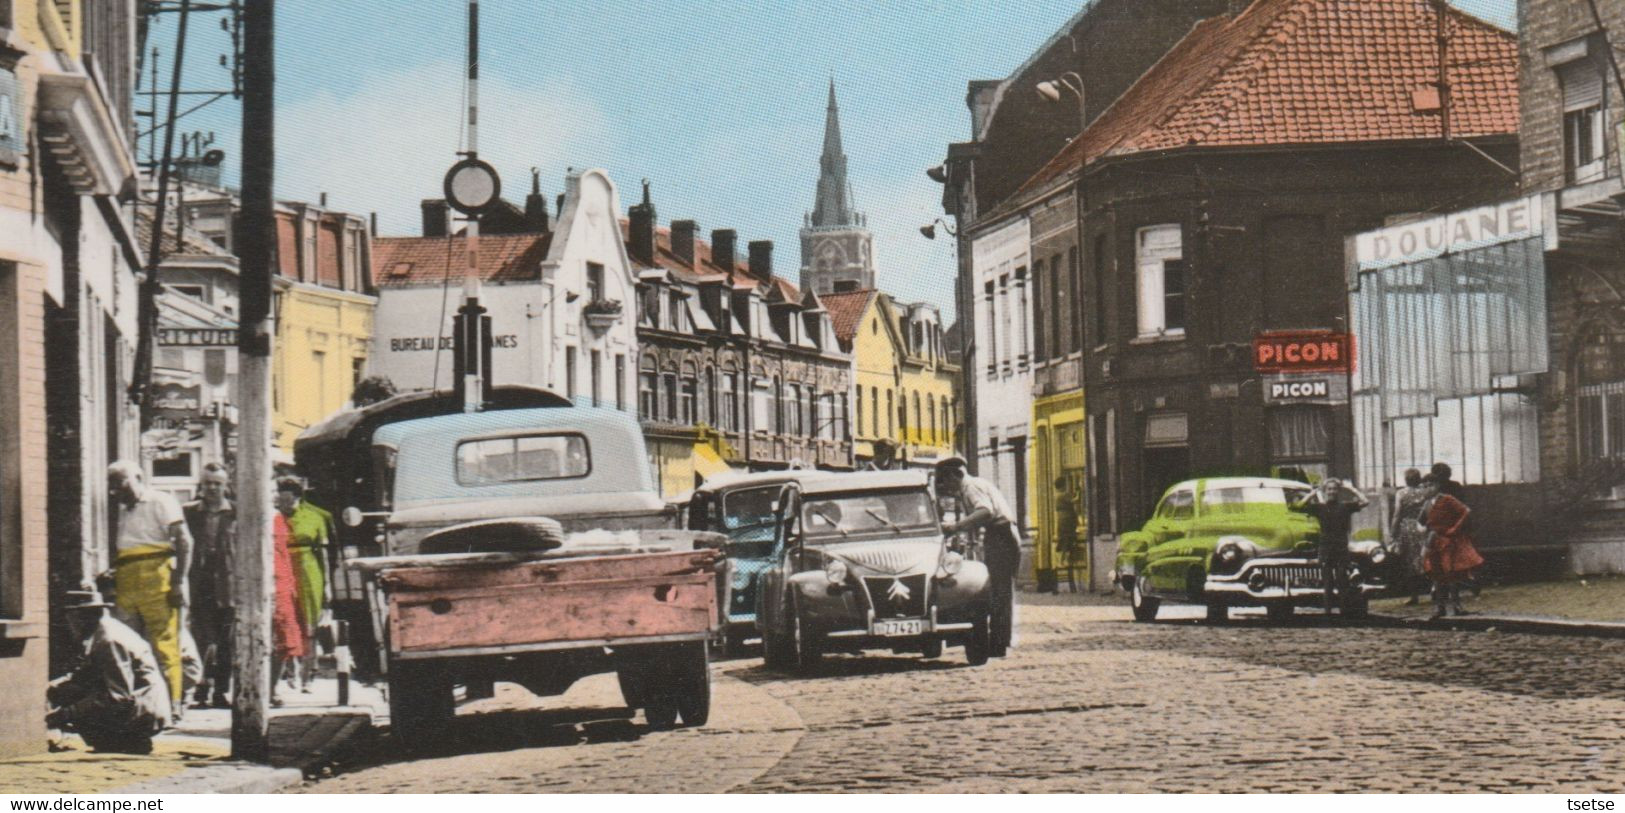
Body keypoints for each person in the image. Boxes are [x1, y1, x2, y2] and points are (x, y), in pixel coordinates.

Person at [107, 461, 191, 708]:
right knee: (127, 643)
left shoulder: (161, 501)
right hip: (126, 579)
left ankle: (172, 704)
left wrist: (178, 582)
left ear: (139, 477)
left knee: (163, 644)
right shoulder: (120, 509)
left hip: (156, 575)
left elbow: (185, 541)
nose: (115, 491)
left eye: (120, 484)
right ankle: (139, 706)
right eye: (112, 486)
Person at [46, 590, 172, 754]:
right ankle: (121, 740)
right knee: (65, 690)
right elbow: (83, 675)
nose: (69, 623)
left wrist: (65, 715)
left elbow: (118, 696)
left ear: (81, 617)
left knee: (75, 696)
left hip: (143, 711)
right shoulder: (102, 632)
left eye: (71, 617)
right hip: (139, 705)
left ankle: (123, 740)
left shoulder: (109, 640)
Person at [936, 457, 1020, 657]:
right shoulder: (974, 485)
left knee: (999, 591)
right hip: (1000, 535)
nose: (947, 487)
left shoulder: (971, 487)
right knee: (999, 591)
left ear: (956, 475)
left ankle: (999, 644)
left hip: (1001, 535)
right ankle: (1000, 641)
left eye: (946, 480)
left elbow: (985, 511)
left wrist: (957, 526)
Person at [182, 463, 235, 709]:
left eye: (217, 483)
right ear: (201, 485)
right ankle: (200, 689)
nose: (212, 487)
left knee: (226, 642)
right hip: (199, 584)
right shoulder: (189, 512)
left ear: (226, 486)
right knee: (200, 639)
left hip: (228, 586)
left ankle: (222, 691)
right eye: (208, 483)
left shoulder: (237, 513)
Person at [1290, 477, 1370, 615]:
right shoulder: (1320, 508)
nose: (1332, 492)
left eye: (1334, 489)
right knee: (1327, 582)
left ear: (1338, 491)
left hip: (1341, 547)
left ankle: (1343, 612)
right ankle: (1327, 612)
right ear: (1325, 491)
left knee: (1342, 580)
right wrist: (1312, 493)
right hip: (1326, 547)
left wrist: (1351, 489)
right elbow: (1297, 507)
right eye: (1329, 489)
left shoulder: (1345, 506)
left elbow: (1365, 502)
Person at [279, 478, 330, 691]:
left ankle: (308, 674)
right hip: (283, 569)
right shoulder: (274, 518)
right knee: (288, 622)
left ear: (298, 498)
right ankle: (291, 670)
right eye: (281, 501)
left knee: (309, 625)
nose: (284, 506)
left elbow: (324, 554)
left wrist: (327, 584)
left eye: (288, 501)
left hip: (309, 572)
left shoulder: (314, 518)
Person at [1420, 473, 1485, 618]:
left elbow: (1465, 511)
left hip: (1448, 540)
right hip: (1433, 541)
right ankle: (1440, 607)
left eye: (1429, 486)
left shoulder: (1447, 499)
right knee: (1437, 574)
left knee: (1450, 573)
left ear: (1436, 486)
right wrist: (1422, 530)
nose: (1426, 489)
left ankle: (1457, 606)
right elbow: (1422, 521)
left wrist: (1455, 528)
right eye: (1423, 487)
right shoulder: (1426, 504)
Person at [271, 482, 310, 706]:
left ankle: (271, 687)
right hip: (253, 586)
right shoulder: (242, 516)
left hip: (281, 585)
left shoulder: (278, 519)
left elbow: (285, 555)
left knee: (284, 640)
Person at [1388, 469, 1430, 605]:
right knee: (1427, 557)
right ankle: (1435, 589)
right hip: (1424, 526)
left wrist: (1393, 531)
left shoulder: (1401, 493)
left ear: (1405, 479)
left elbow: (1397, 514)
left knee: (1409, 561)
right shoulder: (1426, 492)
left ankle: (1414, 595)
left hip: (1407, 528)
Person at [1053, 478, 1080, 594]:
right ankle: (1063, 560)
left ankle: (1062, 560)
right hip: (1067, 520)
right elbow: (1075, 500)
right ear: (1062, 485)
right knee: (1066, 541)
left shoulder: (1057, 496)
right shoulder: (1062, 495)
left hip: (1062, 520)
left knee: (1064, 540)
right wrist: (1080, 491)